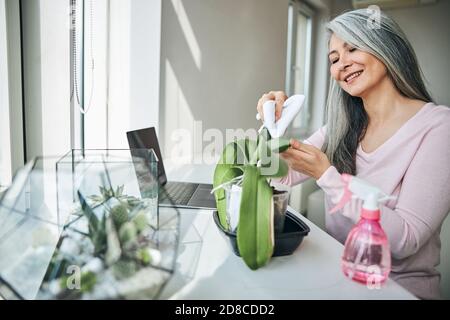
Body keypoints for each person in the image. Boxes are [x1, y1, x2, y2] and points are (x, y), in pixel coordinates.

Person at [257, 9, 450, 300]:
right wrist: (272, 126)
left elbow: (406, 240)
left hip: (398, 291)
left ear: (386, 47)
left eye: (352, 47)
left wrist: (327, 176)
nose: (341, 64)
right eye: (334, 59)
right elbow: (282, 175)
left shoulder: (439, 127)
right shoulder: (340, 126)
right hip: (339, 280)